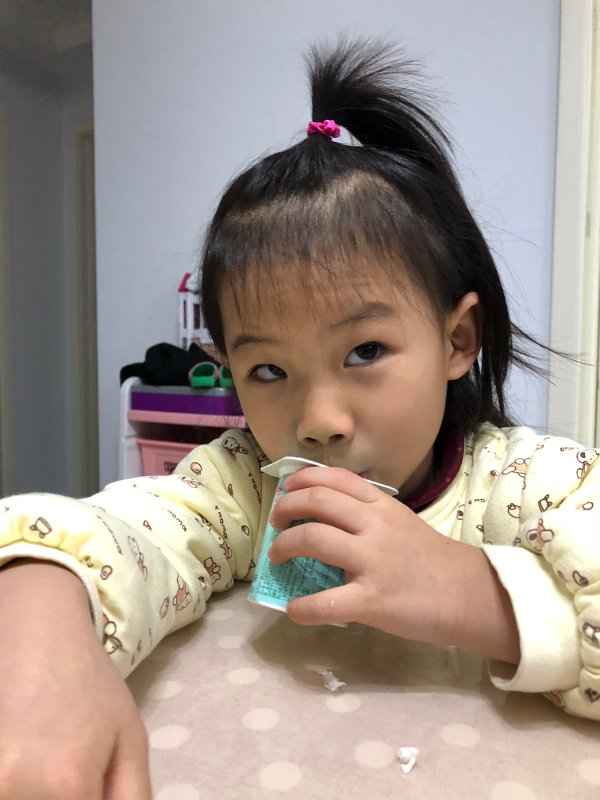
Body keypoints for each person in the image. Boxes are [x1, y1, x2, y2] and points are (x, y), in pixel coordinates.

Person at [1, 38, 599, 797]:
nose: (318, 421)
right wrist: (41, 616)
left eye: (365, 351)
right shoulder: (244, 486)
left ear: (456, 341)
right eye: (269, 371)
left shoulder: (529, 483)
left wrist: (473, 593)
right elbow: (133, 530)